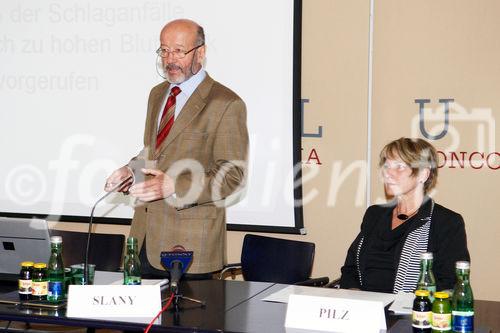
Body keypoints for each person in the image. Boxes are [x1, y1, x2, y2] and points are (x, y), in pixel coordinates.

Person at [104, 19, 248, 278]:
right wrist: (131, 170)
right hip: (144, 238)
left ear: (200, 53)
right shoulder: (157, 94)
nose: (170, 59)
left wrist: (175, 186)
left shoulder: (226, 103)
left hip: (190, 247)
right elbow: (154, 151)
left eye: (179, 51)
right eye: (164, 50)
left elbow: (233, 176)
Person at [339, 137, 469, 293]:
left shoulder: (446, 222)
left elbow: (450, 282)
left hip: (413, 313)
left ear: (423, 174)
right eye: (386, 166)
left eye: (399, 167)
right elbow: (350, 268)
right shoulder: (374, 214)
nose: (388, 173)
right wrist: (355, 293)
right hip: (366, 309)